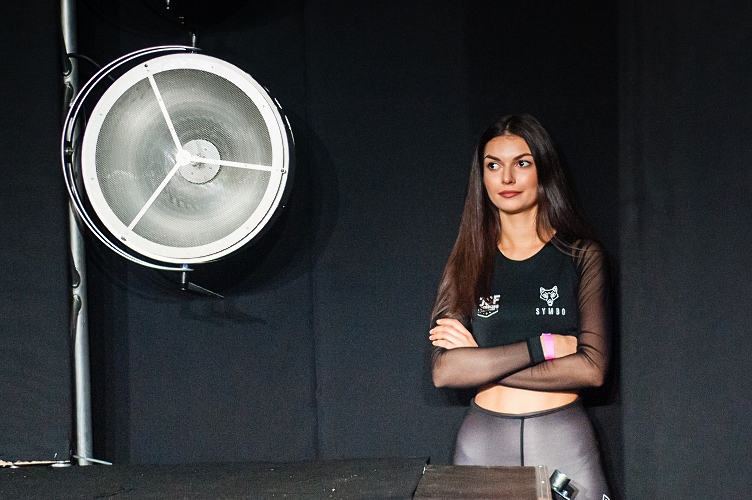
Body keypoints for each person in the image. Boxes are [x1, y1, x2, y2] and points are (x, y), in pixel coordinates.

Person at [429, 114, 611, 500]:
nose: (507, 178)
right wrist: (542, 347)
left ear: (543, 170)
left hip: (562, 440)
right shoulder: (467, 261)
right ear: (482, 177)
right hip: (483, 443)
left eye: (522, 163)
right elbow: (445, 371)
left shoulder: (581, 256)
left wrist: (481, 361)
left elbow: (592, 369)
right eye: (493, 165)